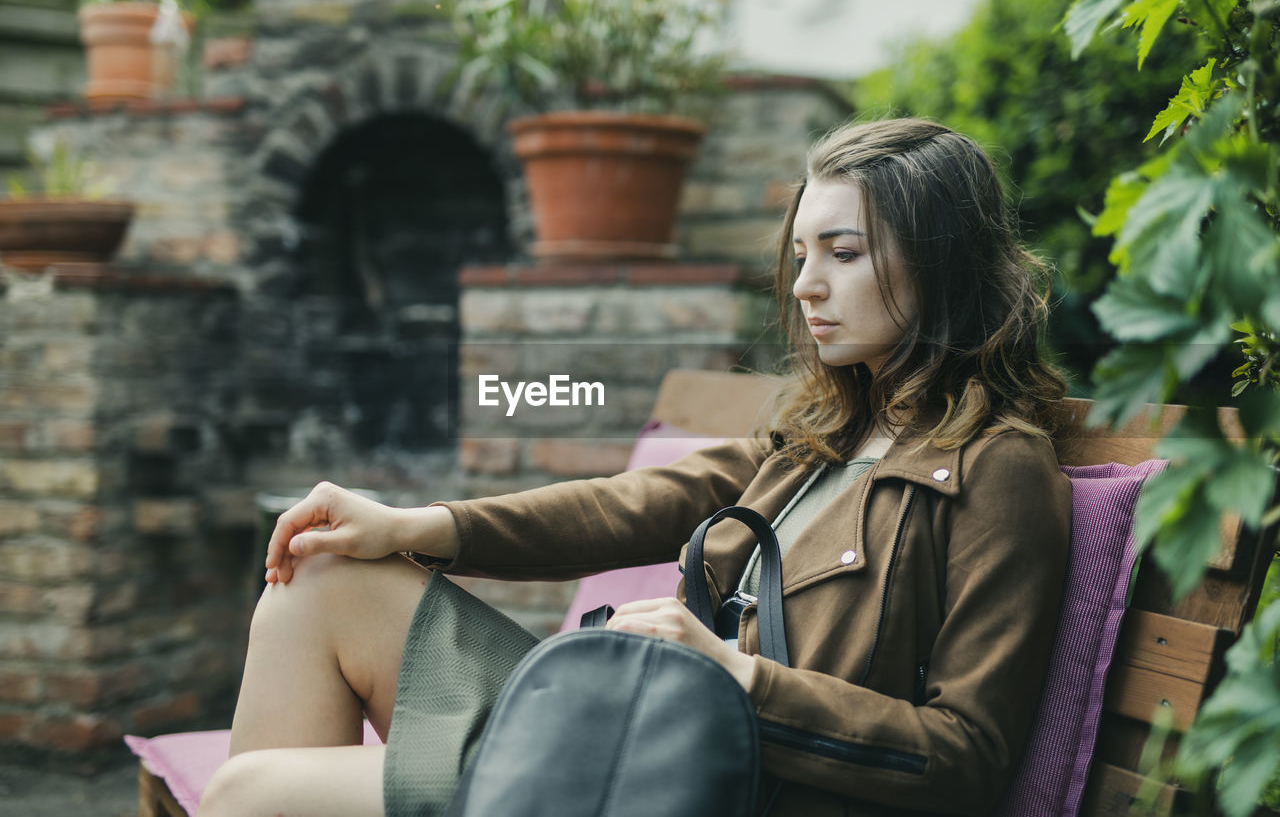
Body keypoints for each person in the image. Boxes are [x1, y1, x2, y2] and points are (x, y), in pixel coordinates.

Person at [198, 118, 1072, 817]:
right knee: (321, 571)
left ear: (944, 262)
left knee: (250, 794)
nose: (806, 287)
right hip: (628, 726)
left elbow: (965, 756)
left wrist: (736, 677)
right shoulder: (826, 433)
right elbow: (629, 504)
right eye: (802, 255)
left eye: (843, 254)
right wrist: (413, 524)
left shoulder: (997, 470)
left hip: (716, 779)